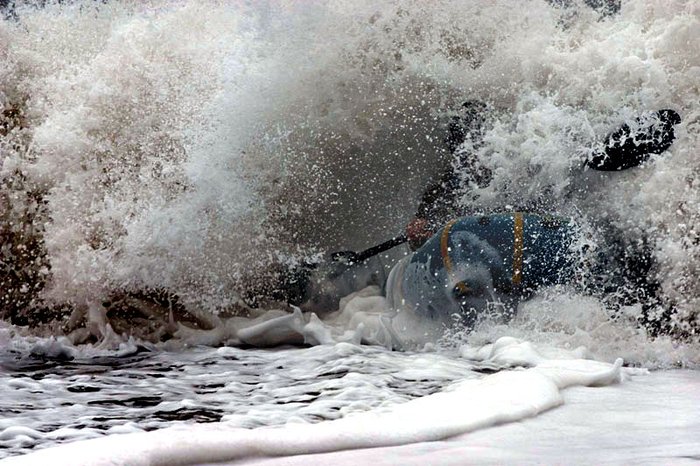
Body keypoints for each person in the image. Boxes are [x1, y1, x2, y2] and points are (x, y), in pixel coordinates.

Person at [391, 103, 681, 333]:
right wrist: (420, 229)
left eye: (474, 143)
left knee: (621, 260)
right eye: (463, 149)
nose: (470, 156)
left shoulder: (516, 159)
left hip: (552, 248)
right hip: (502, 269)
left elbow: (560, 184)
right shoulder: (448, 183)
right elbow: (427, 236)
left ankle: (657, 319)